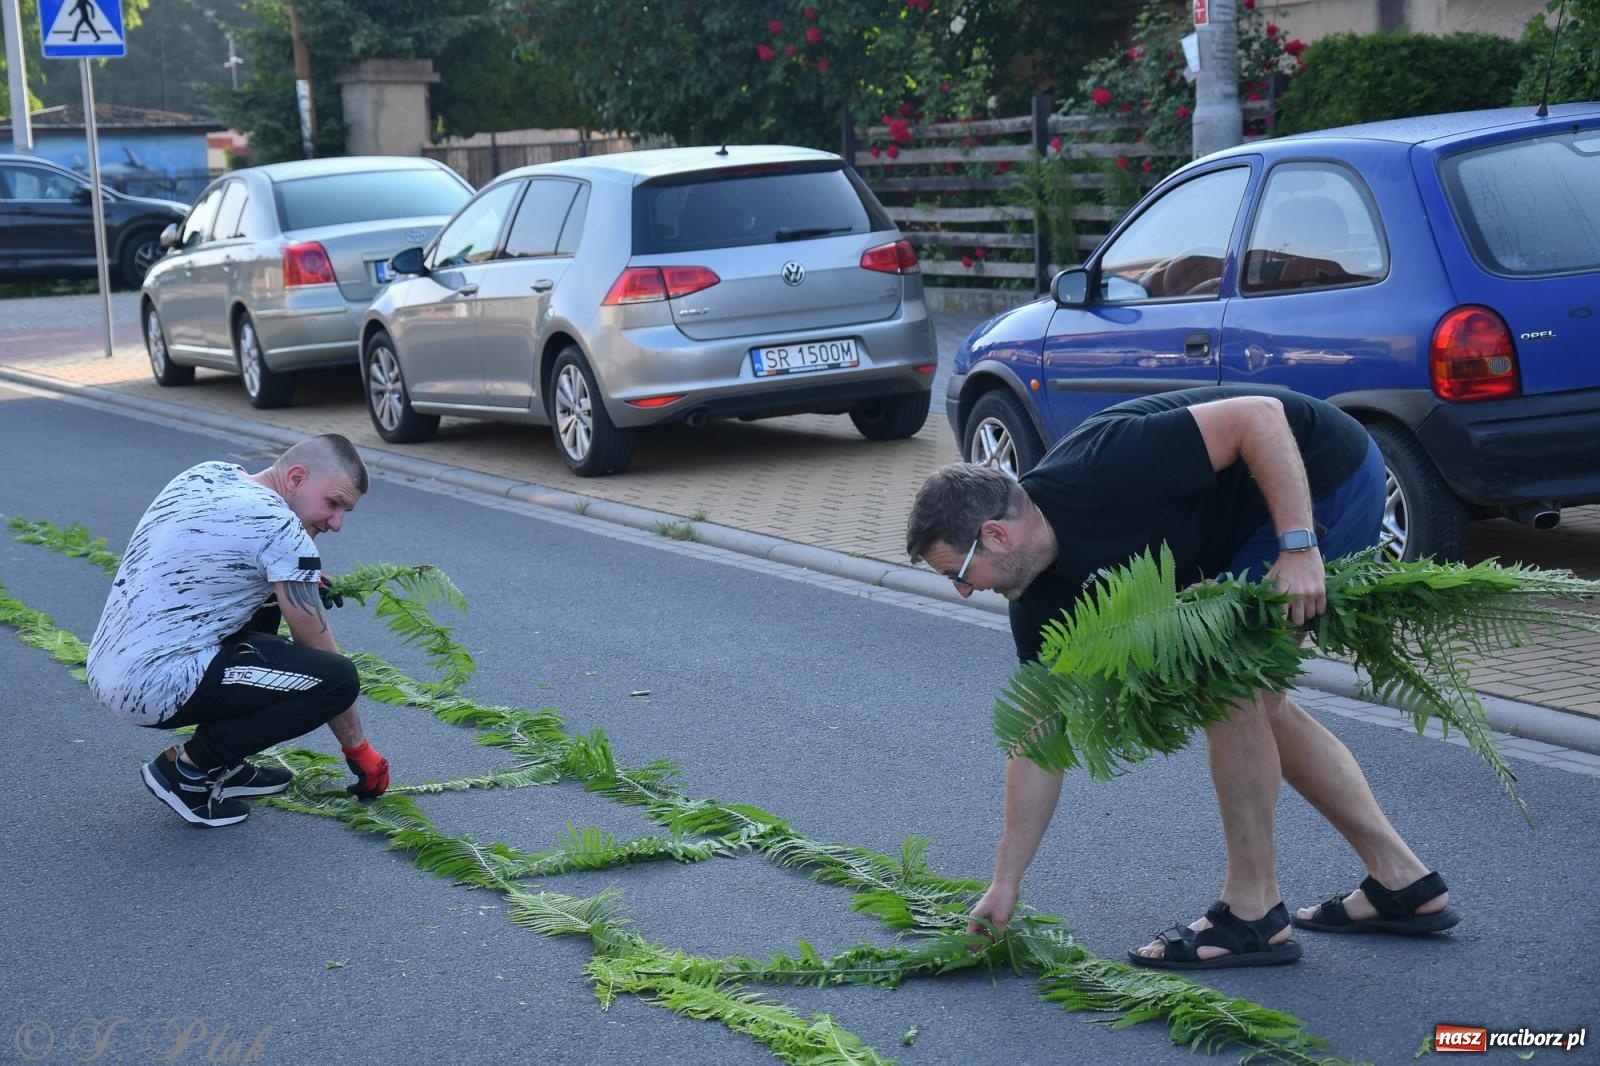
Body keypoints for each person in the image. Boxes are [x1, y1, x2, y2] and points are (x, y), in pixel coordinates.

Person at [906, 386, 1459, 970]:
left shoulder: (1101, 469)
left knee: (1226, 679)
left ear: (995, 535)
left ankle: (1253, 911)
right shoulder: (1041, 605)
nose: (964, 592)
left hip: (1319, 474)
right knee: (1258, 698)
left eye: (959, 574)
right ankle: (1403, 880)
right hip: (1242, 526)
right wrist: (1005, 882)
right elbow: (1041, 735)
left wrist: (1299, 546)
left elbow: (1260, 416)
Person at [88, 434, 390, 828]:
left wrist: (296, 578)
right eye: (333, 504)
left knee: (267, 602)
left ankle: (224, 765)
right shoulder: (282, 530)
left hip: (109, 664)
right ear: (296, 477)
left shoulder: (208, 474)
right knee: (336, 679)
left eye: (345, 511)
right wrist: (358, 749)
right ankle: (191, 772)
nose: (336, 524)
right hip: (154, 685)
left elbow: (215, 558)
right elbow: (317, 647)